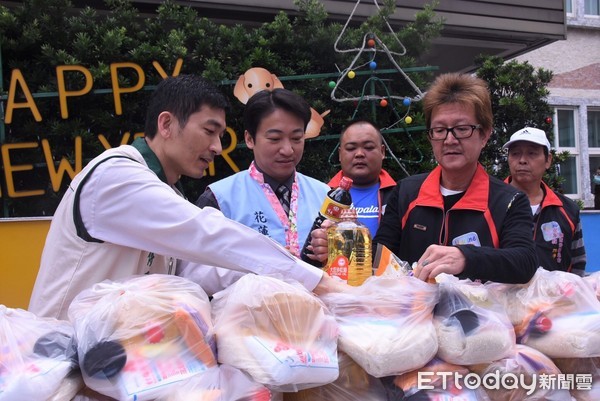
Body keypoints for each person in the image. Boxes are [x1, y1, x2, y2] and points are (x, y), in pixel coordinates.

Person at [28, 75, 345, 320]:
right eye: (209, 131)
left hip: (115, 366)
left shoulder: (165, 189)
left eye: (220, 135)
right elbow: (208, 235)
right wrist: (316, 282)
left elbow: (204, 270)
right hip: (64, 363)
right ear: (166, 124)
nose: (217, 148)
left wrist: (284, 291)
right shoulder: (117, 178)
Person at [310, 73, 538, 284]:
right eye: (439, 130)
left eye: (462, 129)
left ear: (485, 134)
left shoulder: (508, 200)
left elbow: (525, 261)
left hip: (481, 322)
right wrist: (344, 244)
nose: (449, 140)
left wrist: (465, 258)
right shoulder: (407, 192)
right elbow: (381, 256)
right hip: (415, 321)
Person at [181, 88, 330, 294]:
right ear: (250, 139)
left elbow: (351, 265)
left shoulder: (326, 196)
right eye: (275, 139)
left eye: (296, 138)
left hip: (317, 318)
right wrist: (258, 267)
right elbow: (192, 272)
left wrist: (333, 253)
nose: (287, 150)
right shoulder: (219, 198)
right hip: (246, 319)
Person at [503, 126, 586, 276]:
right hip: (499, 298)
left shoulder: (567, 209)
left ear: (548, 160)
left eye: (532, 153)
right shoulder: (491, 203)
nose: (522, 160)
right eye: (515, 153)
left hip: (555, 298)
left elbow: (577, 263)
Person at [328, 120, 396, 236]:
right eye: (351, 148)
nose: (359, 153)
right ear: (339, 154)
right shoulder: (324, 194)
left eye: (368, 147)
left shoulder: (398, 196)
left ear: (382, 151)